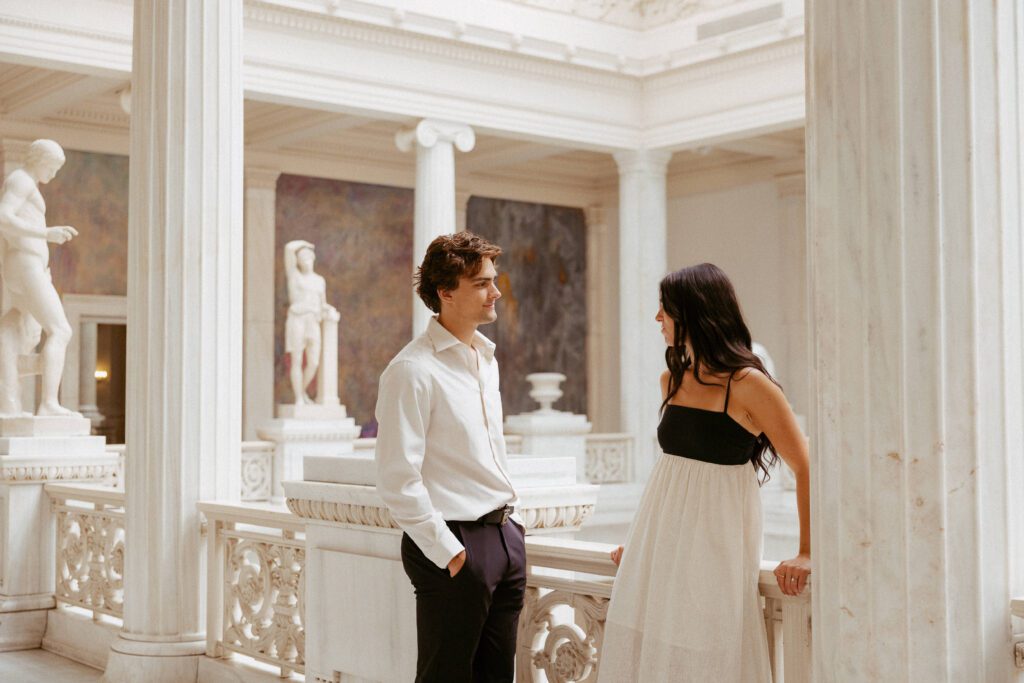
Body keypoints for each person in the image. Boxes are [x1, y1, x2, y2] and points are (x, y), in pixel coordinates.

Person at [598, 263, 811, 682]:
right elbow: (673, 473)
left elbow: (806, 466)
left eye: (665, 310)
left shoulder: (750, 385)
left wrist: (806, 549)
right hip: (664, 547)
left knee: (708, 658)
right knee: (653, 654)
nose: (658, 319)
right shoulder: (671, 379)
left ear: (695, 312)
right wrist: (644, 540)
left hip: (718, 549)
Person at [374, 232, 526, 683]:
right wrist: (450, 553)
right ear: (445, 292)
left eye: (493, 280)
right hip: (455, 545)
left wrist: (514, 535)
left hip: (504, 538)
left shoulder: (486, 360)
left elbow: (486, 455)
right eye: (481, 283)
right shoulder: (412, 370)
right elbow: (397, 478)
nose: (495, 292)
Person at [0, 139, 79, 417]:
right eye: (52, 166)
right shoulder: (22, 180)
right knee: (61, 330)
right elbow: (2, 216)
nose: (54, 173)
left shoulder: (23, 181)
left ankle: (9, 402)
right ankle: (48, 403)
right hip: (25, 265)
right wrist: (45, 234)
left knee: (13, 327)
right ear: (38, 159)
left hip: (26, 266)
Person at [283, 239, 334, 404]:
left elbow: (322, 302)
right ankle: (298, 397)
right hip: (297, 318)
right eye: (302, 258)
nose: (305, 261)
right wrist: (305, 244)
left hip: (313, 321)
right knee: (297, 359)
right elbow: (289, 249)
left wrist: (328, 309)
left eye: (308, 257)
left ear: (313, 259)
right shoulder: (295, 276)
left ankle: (302, 391)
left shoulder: (319, 280)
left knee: (313, 362)